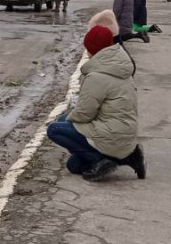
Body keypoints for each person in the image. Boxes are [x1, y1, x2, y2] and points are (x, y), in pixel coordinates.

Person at [46, 25, 143, 181]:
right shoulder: (120, 65)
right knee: (74, 166)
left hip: (111, 134)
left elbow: (84, 114)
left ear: (93, 49)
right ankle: (130, 156)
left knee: (55, 128)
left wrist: (69, 118)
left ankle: (102, 160)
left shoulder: (97, 75)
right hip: (124, 133)